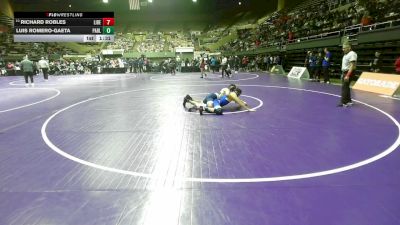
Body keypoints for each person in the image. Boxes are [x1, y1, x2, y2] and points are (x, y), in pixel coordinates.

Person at [183, 84, 255, 115]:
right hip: (216, 101)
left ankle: (189, 100)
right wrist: (248, 109)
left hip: (216, 100)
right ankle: (203, 108)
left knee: (201, 103)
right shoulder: (233, 94)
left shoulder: (231, 95)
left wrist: (243, 102)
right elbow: (239, 101)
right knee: (219, 111)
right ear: (237, 93)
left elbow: (238, 101)